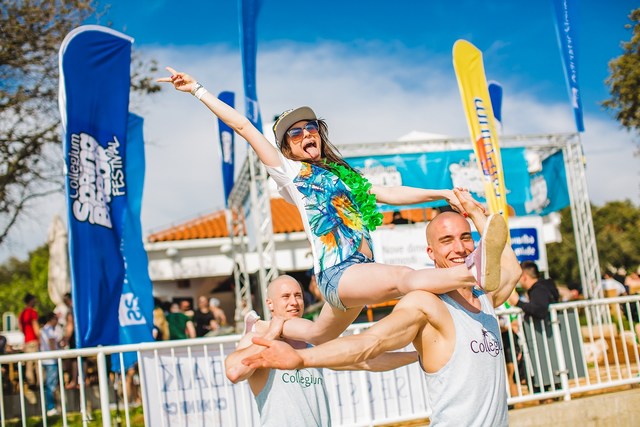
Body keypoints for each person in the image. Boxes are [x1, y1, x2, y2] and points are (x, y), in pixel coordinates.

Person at [159, 68, 506, 344]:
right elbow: (243, 126)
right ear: (287, 149)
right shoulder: (290, 172)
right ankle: (472, 272)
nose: (306, 134)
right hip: (341, 272)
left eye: (310, 128)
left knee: (317, 334)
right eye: (295, 133)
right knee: (404, 277)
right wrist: (197, 89)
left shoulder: (345, 179)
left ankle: (262, 326)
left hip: (359, 273)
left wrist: (442, 193)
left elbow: (390, 192)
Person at [243, 191, 521, 427]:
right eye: (446, 241)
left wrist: (477, 214)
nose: (459, 248)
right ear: (431, 253)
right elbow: (371, 342)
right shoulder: (425, 303)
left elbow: (512, 269)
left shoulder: (483, 296)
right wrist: (303, 358)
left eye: (465, 237)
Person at [225, 275, 417, 427]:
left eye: (298, 295)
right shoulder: (257, 338)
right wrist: (272, 333)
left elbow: (367, 362)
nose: (294, 302)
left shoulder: (312, 344)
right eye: (286, 297)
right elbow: (234, 372)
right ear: (270, 304)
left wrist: (418, 356)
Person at [40, 312, 61, 416]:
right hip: (51, 360)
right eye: (56, 319)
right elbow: (52, 344)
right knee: (51, 385)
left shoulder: (45, 329)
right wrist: (58, 355)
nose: (57, 321)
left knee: (49, 384)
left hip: (46, 360)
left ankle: (51, 407)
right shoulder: (49, 330)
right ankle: (51, 408)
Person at [18, 293, 40, 389]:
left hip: (27, 341)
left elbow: (20, 328)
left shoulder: (22, 313)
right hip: (34, 341)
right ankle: (40, 383)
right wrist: (39, 338)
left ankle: (31, 383)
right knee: (38, 363)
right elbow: (35, 326)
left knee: (29, 364)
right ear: (31, 301)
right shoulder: (32, 312)